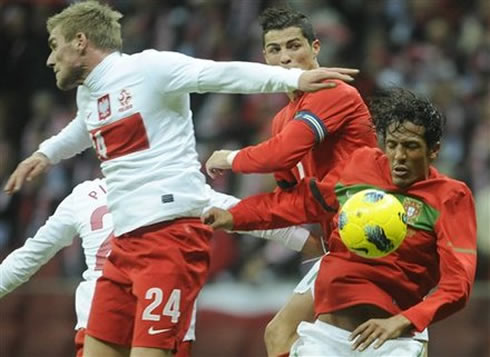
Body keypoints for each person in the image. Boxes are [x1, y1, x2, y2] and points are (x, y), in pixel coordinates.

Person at [2, 2, 356, 355]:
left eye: (53, 45)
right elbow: (85, 124)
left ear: (80, 41)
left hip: (169, 238)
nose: (49, 59)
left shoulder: (151, 68)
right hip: (125, 244)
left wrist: (292, 78)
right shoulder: (90, 94)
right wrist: (44, 154)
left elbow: (220, 73)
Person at [203, 88, 477, 356]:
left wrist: (403, 321)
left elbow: (458, 286)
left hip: (393, 340)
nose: (399, 157)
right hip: (326, 338)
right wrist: (235, 215)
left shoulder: (450, 197)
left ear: (434, 150)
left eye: (411, 147)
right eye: (392, 145)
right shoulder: (362, 164)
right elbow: (302, 202)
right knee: (277, 333)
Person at [204, 7, 378, 357]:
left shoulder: (334, 93)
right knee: (281, 335)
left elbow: (279, 155)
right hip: (339, 243)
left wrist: (231, 157)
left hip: (372, 238)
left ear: (315, 47)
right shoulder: (283, 119)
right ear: (264, 57)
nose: (285, 57)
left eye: (294, 45)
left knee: (308, 336)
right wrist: (235, 217)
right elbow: (292, 200)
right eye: (275, 49)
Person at [0, 178, 317, 357]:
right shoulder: (186, 191)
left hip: (126, 327)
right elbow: (258, 220)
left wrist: (320, 247)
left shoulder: (85, 195)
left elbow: (27, 259)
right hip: (149, 326)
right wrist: (320, 246)